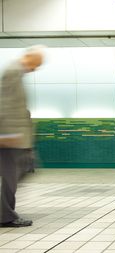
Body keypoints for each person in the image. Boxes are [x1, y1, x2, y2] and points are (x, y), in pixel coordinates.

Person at [0, 46, 45, 227]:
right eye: (36, 64)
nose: (36, 68)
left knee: (23, 170)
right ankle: (6, 216)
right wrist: (5, 135)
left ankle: (5, 212)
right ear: (29, 57)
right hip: (11, 139)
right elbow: (4, 104)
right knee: (10, 179)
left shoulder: (17, 72)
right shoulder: (13, 71)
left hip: (18, 139)